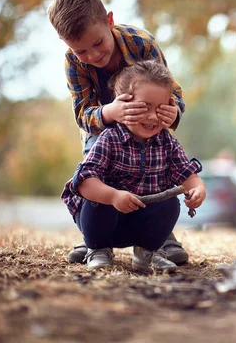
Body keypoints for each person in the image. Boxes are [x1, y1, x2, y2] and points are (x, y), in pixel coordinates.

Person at [47, 0, 190, 265]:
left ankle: (158, 237)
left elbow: (169, 91)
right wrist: (111, 112)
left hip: (147, 123)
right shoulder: (73, 62)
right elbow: (83, 114)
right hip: (101, 127)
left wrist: (173, 113)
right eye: (80, 50)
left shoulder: (141, 44)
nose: (92, 55)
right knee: (97, 174)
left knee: (155, 167)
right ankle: (95, 239)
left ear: (110, 21)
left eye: (98, 43)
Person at [61, 60, 206, 271]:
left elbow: (187, 174)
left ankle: (146, 253)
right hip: (105, 220)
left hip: (140, 221)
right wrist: (113, 196)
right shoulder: (109, 139)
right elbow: (84, 183)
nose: (152, 116)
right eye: (143, 107)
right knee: (97, 202)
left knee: (170, 203)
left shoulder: (167, 141)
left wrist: (198, 189)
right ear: (124, 105)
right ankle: (98, 249)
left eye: (160, 109)